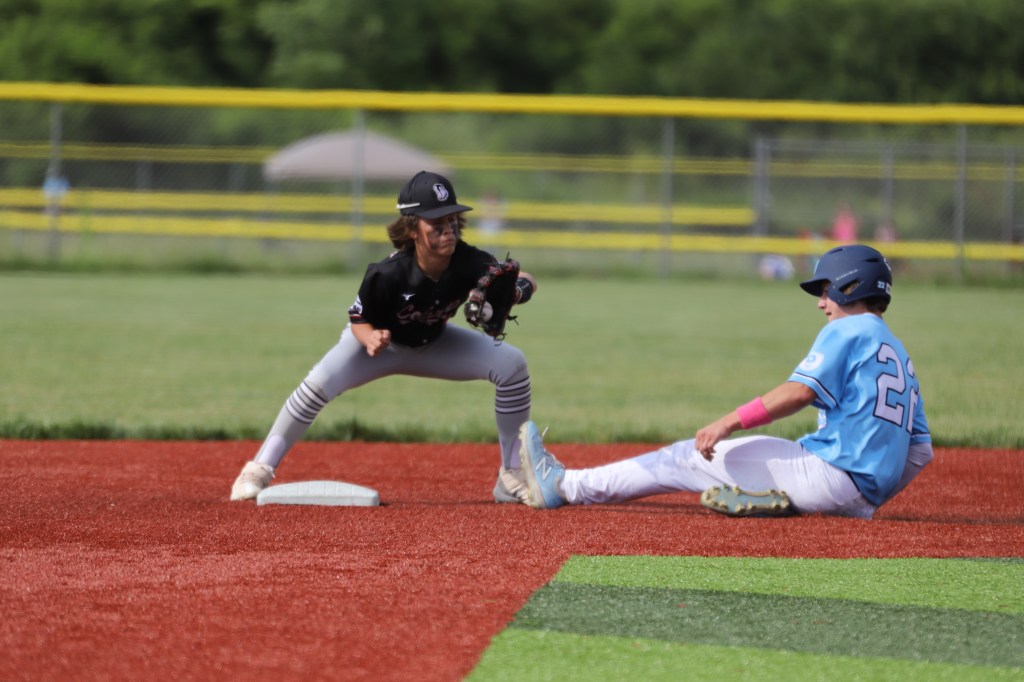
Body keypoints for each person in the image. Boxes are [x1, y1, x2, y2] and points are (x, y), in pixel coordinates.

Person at [518, 244, 932, 519]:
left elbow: (800, 392)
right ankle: (783, 497)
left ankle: (567, 486)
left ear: (850, 286)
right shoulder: (899, 353)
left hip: (825, 476)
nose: (822, 303)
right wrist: (865, 500)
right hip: (860, 497)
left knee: (683, 459)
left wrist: (729, 421)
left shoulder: (849, 329)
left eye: (826, 291)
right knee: (782, 465)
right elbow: (920, 451)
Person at [231, 171, 539, 503]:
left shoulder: (468, 260)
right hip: (377, 347)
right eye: (436, 222)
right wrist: (370, 338)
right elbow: (358, 320)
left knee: (512, 365)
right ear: (412, 229)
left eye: (452, 219)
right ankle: (258, 468)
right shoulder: (388, 273)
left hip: (434, 343)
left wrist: (516, 291)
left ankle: (511, 474)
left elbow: (522, 277)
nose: (448, 229)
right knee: (318, 383)